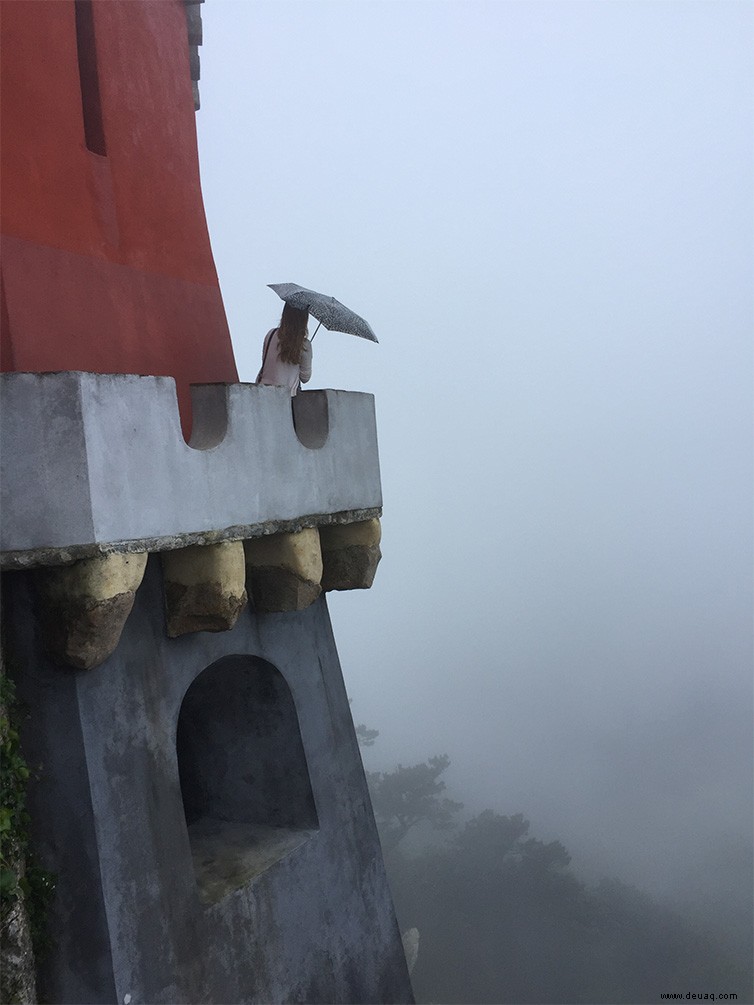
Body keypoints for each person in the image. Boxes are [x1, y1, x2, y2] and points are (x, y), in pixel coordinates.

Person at [256, 303, 312, 395]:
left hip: (262, 392)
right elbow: (305, 378)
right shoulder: (305, 345)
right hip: (286, 397)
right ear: (304, 319)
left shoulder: (271, 334)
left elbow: (266, 361)